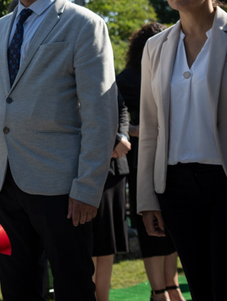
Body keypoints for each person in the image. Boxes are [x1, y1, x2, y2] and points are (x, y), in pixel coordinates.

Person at [0, 0, 118, 301]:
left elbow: (100, 114)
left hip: (62, 189)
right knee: (17, 288)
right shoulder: (0, 29)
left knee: (73, 287)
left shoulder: (84, 25)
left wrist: (88, 187)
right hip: (5, 186)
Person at [138, 0, 227, 301]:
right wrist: (147, 198)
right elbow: (149, 129)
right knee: (199, 286)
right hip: (176, 187)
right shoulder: (156, 47)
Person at [117, 22, 184, 301]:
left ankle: (172, 286)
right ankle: (159, 291)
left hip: (173, 160)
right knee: (150, 226)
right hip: (140, 162)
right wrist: (142, 129)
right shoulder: (127, 79)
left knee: (172, 228)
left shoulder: (171, 72)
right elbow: (117, 122)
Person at [91, 95, 131, 301]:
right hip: (88, 166)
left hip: (115, 168)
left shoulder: (110, 75)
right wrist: (116, 138)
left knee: (107, 242)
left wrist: (123, 136)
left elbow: (121, 109)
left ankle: (103, 298)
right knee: (89, 241)